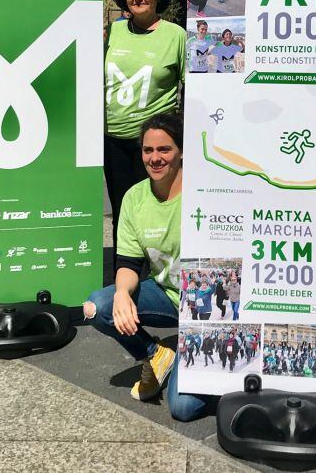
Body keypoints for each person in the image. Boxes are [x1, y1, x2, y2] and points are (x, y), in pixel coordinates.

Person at [84, 114, 209, 420]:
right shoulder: (134, 198)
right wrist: (123, 294)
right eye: (147, 150)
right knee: (97, 306)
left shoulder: (206, 191)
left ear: (181, 151)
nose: (155, 158)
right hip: (168, 295)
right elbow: (128, 263)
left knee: (183, 408)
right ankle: (155, 354)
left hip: (208, 307)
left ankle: (203, 359)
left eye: (164, 149)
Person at [104, 0, 185, 256]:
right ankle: (124, 282)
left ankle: (159, 279)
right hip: (114, 141)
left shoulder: (176, 36)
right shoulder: (112, 33)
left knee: (158, 212)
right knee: (122, 212)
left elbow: (191, 88)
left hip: (156, 145)